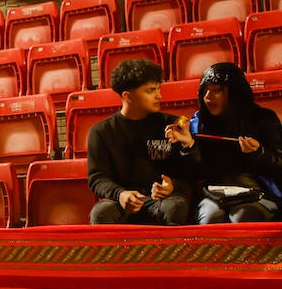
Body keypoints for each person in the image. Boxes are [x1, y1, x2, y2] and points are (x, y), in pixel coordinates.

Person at [86, 58, 200, 226]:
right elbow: (97, 177)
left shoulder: (172, 125)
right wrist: (120, 194)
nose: (159, 95)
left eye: (158, 89)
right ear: (128, 96)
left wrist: (188, 146)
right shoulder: (101, 132)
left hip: (163, 201)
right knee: (101, 212)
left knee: (176, 206)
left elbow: (190, 172)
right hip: (123, 201)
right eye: (150, 90)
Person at [189, 63, 282, 223]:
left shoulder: (264, 119)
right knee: (210, 219)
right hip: (215, 194)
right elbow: (197, 170)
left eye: (216, 90)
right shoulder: (200, 123)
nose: (208, 97)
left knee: (242, 218)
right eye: (205, 91)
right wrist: (187, 146)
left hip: (258, 191)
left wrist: (259, 153)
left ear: (235, 93)